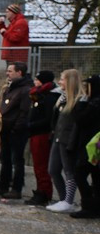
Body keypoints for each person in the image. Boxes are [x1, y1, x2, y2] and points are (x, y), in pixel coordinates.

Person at [47, 69, 84, 213]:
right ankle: (63, 198)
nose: (60, 81)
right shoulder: (62, 98)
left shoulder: (78, 99)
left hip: (67, 139)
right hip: (58, 136)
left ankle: (69, 200)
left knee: (69, 170)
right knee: (53, 169)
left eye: (62, 79)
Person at [0, 61, 33, 200]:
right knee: (4, 158)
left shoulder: (25, 89)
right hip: (5, 128)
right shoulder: (10, 87)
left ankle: (17, 188)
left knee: (17, 159)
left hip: (16, 131)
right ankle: (3, 186)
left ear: (19, 72)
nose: (7, 73)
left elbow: (24, 112)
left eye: (10, 71)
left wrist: (16, 128)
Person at [69, 74, 100, 219]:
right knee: (95, 175)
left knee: (80, 173)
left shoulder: (94, 103)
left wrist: (82, 102)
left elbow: (80, 119)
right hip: (89, 144)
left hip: (92, 145)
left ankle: (89, 205)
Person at [25, 70, 58, 207]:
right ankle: (40, 190)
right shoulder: (38, 95)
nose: (35, 82)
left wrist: (31, 124)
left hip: (42, 133)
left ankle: (45, 192)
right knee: (37, 165)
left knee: (42, 165)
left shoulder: (50, 97)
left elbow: (47, 118)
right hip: (35, 133)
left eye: (38, 80)